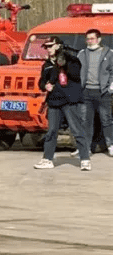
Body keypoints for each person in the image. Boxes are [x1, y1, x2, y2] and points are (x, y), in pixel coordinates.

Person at [34, 37, 90, 170]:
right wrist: (45, 86)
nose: (48, 49)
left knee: (76, 130)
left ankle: (85, 159)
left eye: (50, 46)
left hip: (70, 100)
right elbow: (42, 81)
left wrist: (64, 65)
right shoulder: (47, 64)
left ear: (58, 46)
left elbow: (76, 76)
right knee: (52, 131)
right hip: (54, 101)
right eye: (46, 47)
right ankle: (47, 159)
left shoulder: (72, 60)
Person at [78, 28, 113, 158]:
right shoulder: (82, 54)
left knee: (106, 119)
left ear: (98, 39)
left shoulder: (108, 53)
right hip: (86, 92)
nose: (89, 41)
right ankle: (85, 148)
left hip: (103, 92)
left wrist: (110, 87)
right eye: (87, 39)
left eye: (92, 38)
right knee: (86, 121)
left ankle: (111, 145)